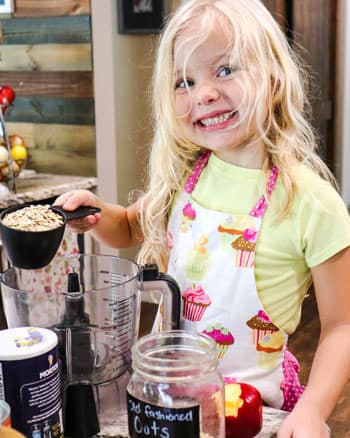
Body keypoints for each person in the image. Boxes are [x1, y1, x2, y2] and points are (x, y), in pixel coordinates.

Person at [55, 0, 350, 436]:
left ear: (272, 73)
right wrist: (98, 216)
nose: (203, 94)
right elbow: (132, 227)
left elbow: (342, 327)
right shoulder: (186, 178)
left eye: (225, 70)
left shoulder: (310, 201)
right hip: (170, 395)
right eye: (184, 81)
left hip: (251, 407)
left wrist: (311, 411)